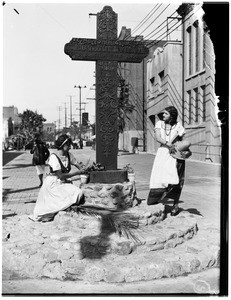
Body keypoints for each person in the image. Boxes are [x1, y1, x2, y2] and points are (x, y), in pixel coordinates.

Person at [29, 134, 87, 222]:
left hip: (63, 182)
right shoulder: (53, 157)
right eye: (68, 145)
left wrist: (83, 168)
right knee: (73, 194)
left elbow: (77, 164)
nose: (70, 147)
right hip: (53, 184)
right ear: (63, 145)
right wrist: (78, 173)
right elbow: (61, 175)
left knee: (77, 193)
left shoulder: (69, 155)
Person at [147, 106, 187, 216]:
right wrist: (167, 143)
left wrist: (182, 148)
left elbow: (182, 141)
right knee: (159, 176)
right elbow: (157, 137)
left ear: (172, 115)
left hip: (175, 155)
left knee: (176, 179)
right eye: (163, 113)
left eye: (166, 113)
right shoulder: (159, 123)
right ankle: (155, 199)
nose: (163, 115)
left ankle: (175, 205)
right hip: (163, 153)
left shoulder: (179, 126)